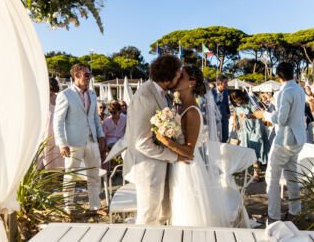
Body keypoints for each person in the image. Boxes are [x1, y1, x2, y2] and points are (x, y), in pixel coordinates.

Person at [156, 65, 230, 227]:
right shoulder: (180, 107)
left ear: (191, 83)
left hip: (187, 169)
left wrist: (164, 139)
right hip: (177, 165)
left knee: (188, 216)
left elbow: (189, 150)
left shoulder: (192, 111)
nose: (177, 78)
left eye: (181, 76)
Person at [122, 55, 192, 225]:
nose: (179, 77)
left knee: (161, 216)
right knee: (148, 218)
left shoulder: (163, 94)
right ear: (167, 76)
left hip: (161, 166)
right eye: (177, 74)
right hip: (148, 169)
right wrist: (175, 156)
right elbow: (142, 142)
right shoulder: (144, 96)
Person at [254, 62, 306, 223]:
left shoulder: (285, 92)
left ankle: (273, 216)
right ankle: (295, 212)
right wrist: (272, 100)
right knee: (291, 176)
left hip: (285, 140)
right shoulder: (299, 89)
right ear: (292, 74)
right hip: (298, 139)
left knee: (272, 177)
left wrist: (264, 114)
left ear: (278, 76)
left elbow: (281, 120)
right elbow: (291, 110)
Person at [53, 63, 107, 216]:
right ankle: (68, 207)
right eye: (87, 75)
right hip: (73, 142)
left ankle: (95, 206)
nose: (90, 78)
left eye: (90, 74)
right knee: (71, 175)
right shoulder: (65, 95)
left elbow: (95, 117)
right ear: (76, 75)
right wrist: (62, 144)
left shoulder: (91, 94)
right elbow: (58, 121)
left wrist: (101, 134)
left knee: (94, 174)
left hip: (92, 140)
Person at [229, 90, 270, 181]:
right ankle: (243, 168)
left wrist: (248, 116)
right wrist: (235, 122)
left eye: (239, 100)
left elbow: (259, 114)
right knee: (244, 148)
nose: (238, 102)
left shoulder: (251, 100)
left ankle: (256, 173)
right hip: (244, 129)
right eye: (236, 102)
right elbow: (235, 111)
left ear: (242, 97)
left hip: (255, 128)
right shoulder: (235, 104)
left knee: (255, 149)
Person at [41, 78, 64, 170]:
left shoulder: (59, 98)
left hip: (56, 129)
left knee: (56, 154)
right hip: (45, 129)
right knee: (45, 152)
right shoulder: (43, 99)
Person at [211, 75, 230, 142]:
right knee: (216, 136)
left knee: (225, 135)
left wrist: (228, 112)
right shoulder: (211, 92)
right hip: (215, 118)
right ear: (221, 83)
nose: (227, 84)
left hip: (225, 117)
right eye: (226, 82)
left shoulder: (226, 91)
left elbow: (227, 103)